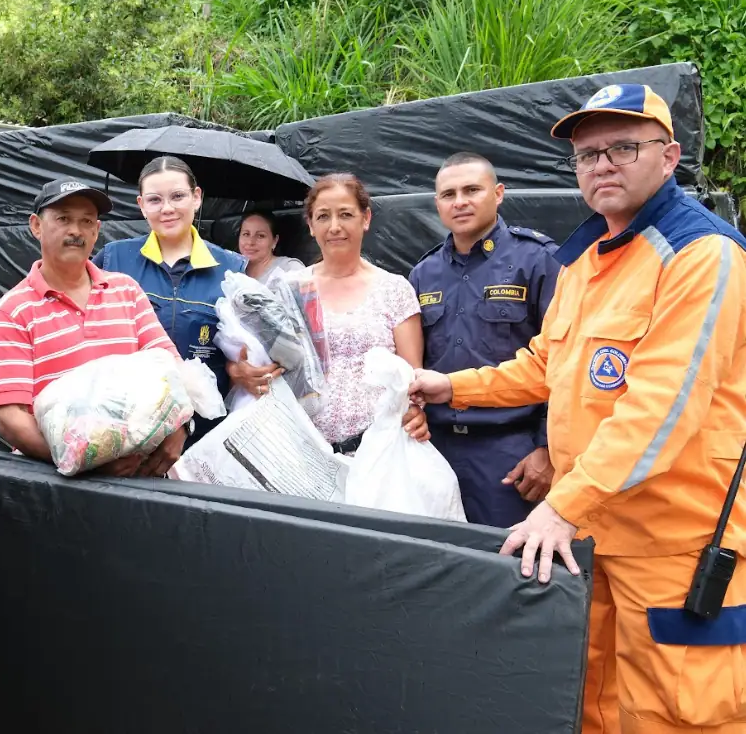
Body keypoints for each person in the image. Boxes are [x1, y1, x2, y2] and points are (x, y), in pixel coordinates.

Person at [409, 84, 746, 733]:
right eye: (588, 155)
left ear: (670, 156)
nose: (603, 165)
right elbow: (546, 363)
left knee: (681, 714)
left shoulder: (703, 254)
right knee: (592, 702)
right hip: (595, 537)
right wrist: (452, 387)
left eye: (624, 147)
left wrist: (560, 506)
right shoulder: (587, 257)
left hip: (674, 544)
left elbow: (662, 408)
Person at [0, 178, 188, 478]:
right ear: (36, 226)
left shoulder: (126, 291)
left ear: (96, 231)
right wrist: (87, 461)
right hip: (60, 484)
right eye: (63, 219)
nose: (75, 231)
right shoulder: (13, 310)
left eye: (86, 221)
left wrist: (180, 427)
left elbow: (171, 368)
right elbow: (11, 418)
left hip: (142, 478)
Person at [408, 152, 560, 527]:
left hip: (510, 453)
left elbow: (563, 362)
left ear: (499, 193)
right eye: (448, 194)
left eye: (472, 190)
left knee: (507, 569)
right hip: (435, 447)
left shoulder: (539, 260)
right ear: (437, 203)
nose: (459, 202)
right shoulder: (423, 274)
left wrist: (547, 449)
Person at [233, 173, 428, 453]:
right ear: (311, 225)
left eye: (346, 214)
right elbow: (252, 359)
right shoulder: (289, 289)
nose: (334, 227)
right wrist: (240, 371)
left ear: (366, 218)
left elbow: (413, 378)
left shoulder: (395, 290)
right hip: (299, 452)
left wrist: (416, 412)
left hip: (378, 453)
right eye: (323, 217)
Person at [93, 156, 248, 444]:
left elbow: (243, 353)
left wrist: (240, 369)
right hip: (126, 428)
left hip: (204, 433)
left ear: (196, 197)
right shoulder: (114, 259)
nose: (167, 209)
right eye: (154, 200)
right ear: (141, 205)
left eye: (178, 196)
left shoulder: (231, 269)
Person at [237, 208, 304, 284]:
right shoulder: (231, 271)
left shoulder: (290, 269)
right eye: (246, 234)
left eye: (260, 236)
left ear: (274, 241)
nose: (250, 242)